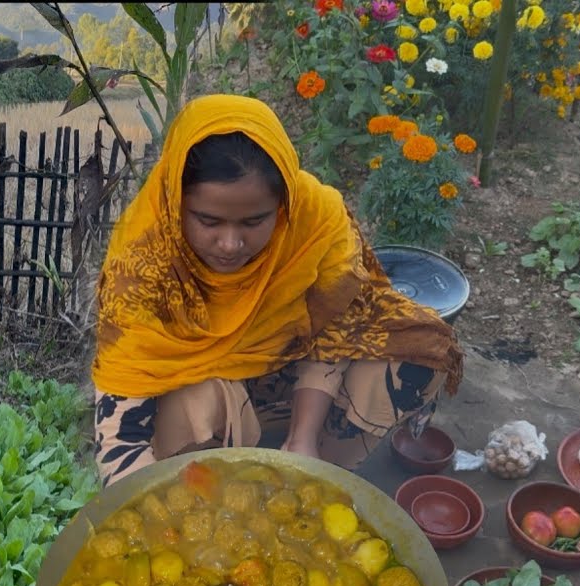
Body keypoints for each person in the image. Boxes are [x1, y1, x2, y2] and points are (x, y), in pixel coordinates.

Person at [90, 94, 465, 486]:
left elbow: (338, 331)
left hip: (292, 382)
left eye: (255, 221)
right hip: (213, 402)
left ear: (283, 204)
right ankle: (208, 482)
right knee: (194, 404)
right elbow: (122, 418)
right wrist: (143, 513)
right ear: (175, 204)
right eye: (208, 221)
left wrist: (302, 437)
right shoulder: (143, 261)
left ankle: (319, 475)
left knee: (417, 352)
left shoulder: (314, 221)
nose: (231, 244)